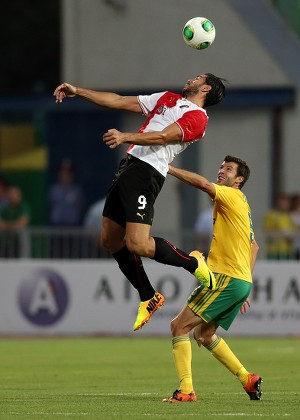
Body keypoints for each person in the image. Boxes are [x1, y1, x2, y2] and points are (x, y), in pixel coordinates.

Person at [53, 73, 226, 331]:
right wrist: (78, 91)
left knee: (138, 244)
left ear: (206, 88)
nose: (191, 78)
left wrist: (125, 137)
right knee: (110, 239)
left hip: (147, 173)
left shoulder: (198, 118)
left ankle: (193, 263)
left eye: (198, 78)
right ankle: (149, 296)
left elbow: (164, 137)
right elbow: (120, 101)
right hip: (128, 167)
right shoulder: (168, 98)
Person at [162, 155, 261, 403]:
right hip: (238, 280)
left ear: (238, 180)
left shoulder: (230, 195)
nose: (221, 171)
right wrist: (244, 285)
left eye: (228, 169)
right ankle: (247, 378)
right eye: (220, 167)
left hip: (226, 278)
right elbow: (255, 247)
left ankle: (186, 390)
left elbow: (204, 185)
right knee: (203, 335)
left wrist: (167, 168)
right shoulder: (241, 203)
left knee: (179, 326)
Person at [263, 192, 297, 260]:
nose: (284, 205)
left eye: (286, 203)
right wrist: (280, 232)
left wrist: (290, 235)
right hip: (274, 251)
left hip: (287, 251)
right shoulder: (271, 215)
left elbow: (295, 232)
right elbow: (266, 230)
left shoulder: (290, 216)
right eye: (282, 203)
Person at [0, 186, 31, 257]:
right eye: (10, 195)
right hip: (4, 244)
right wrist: (14, 225)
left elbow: (22, 224)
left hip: (19, 243)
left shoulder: (23, 207)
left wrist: (5, 226)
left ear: (19, 196)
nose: (12, 197)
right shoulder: (3, 208)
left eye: (15, 195)